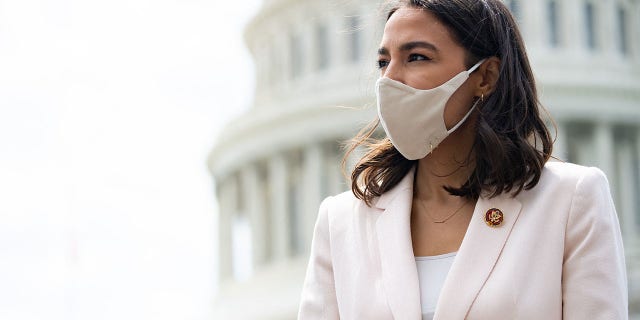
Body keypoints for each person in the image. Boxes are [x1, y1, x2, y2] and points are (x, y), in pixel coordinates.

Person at [297, 0, 628, 319]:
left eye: (416, 57)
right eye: (383, 63)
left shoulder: (569, 201)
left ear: (485, 76)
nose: (389, 80)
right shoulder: (340, 222)